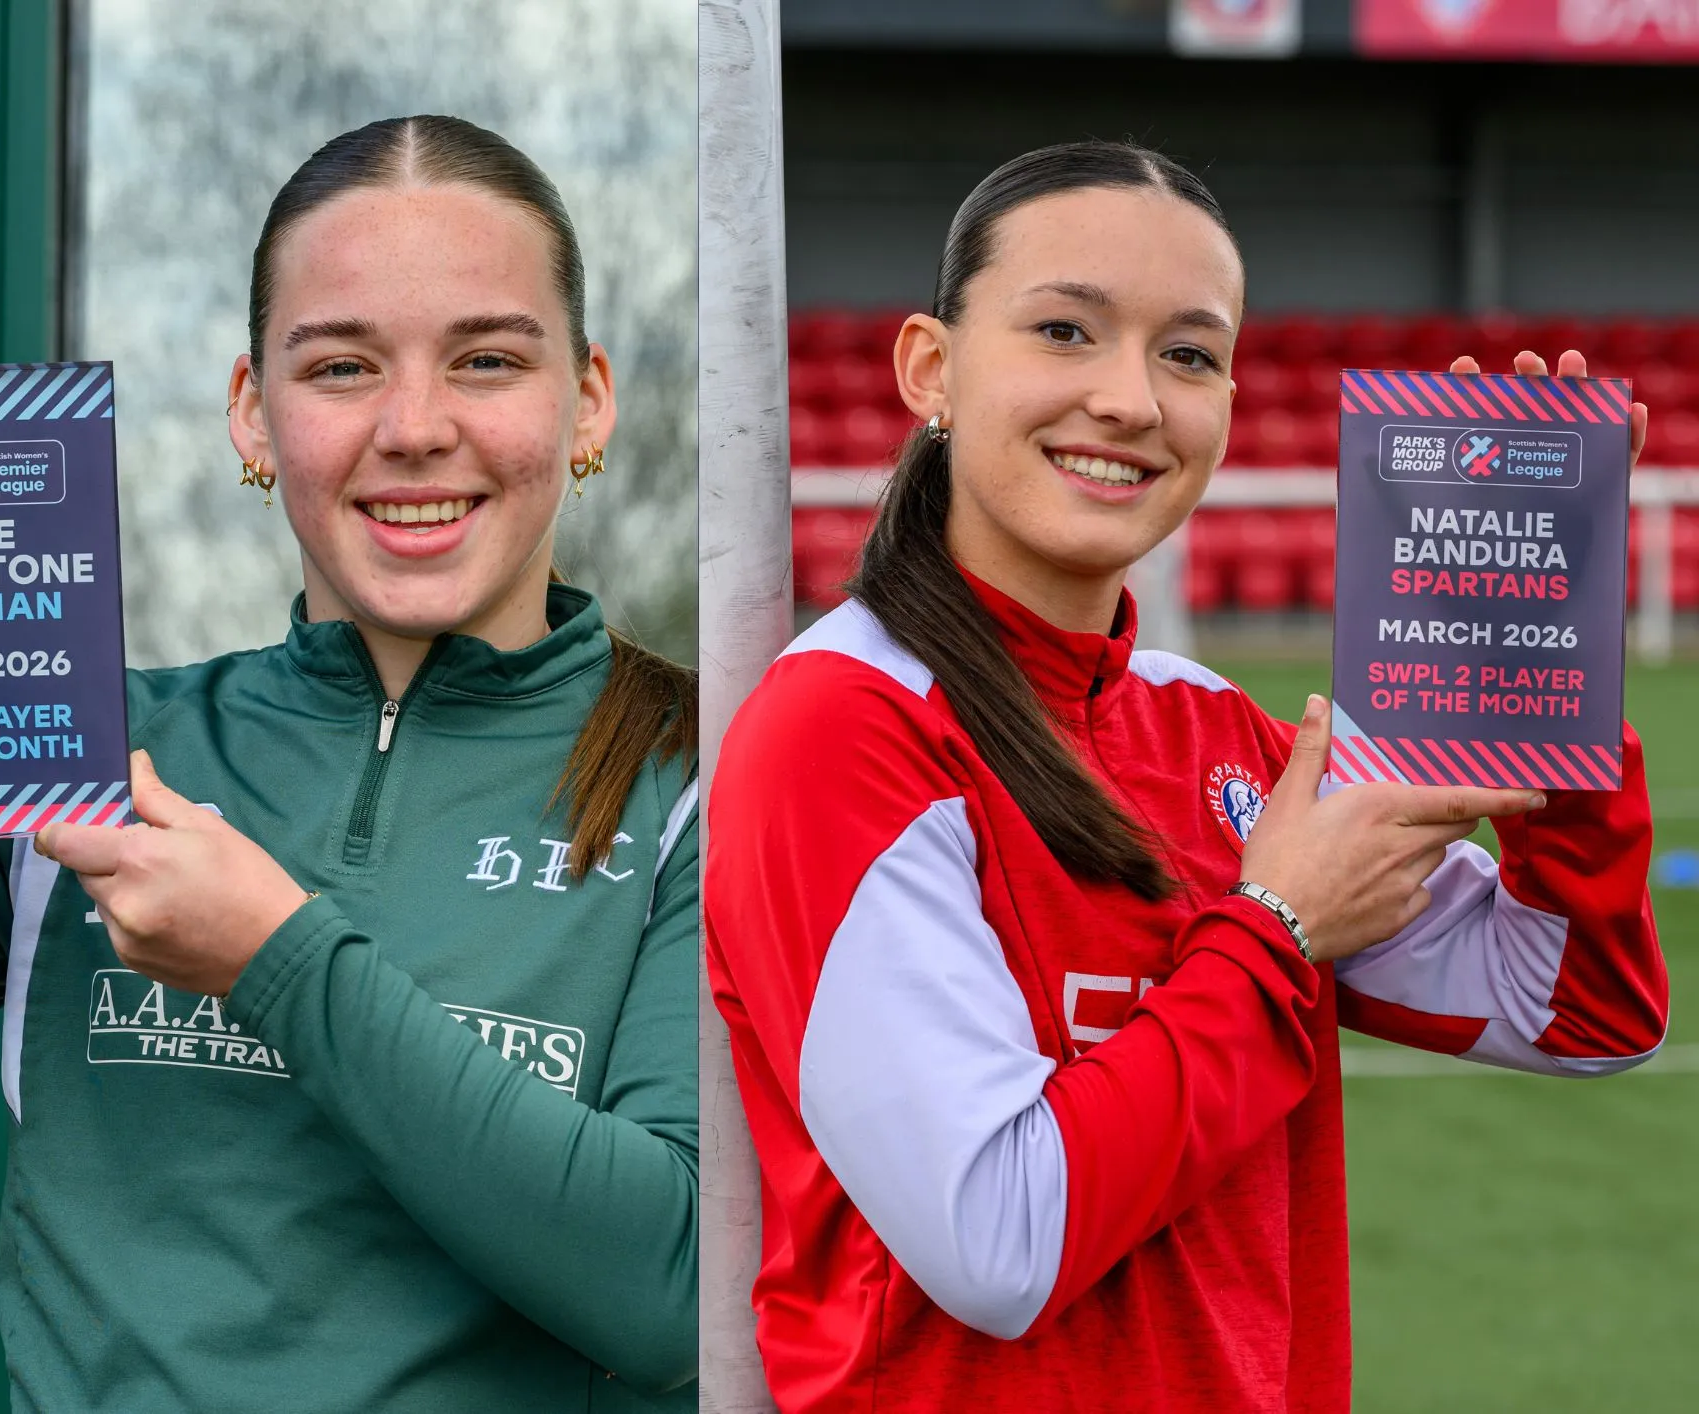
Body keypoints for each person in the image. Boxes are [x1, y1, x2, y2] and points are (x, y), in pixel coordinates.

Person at [0, 115, 698, 1412]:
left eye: (487, 359)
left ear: (588, 401)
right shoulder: (77, 758)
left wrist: (277, 959)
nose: (413, 425)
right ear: (253, 413)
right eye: (340, 368)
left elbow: (670, 1288)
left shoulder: (709, 787)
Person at [703, 141, 1667, 1414]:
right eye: (1063, 330)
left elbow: (1579, 1013)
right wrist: (1274, 931)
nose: (1129, 401)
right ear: (928, 367)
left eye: (1188, 354)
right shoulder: (839, 727)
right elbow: (1000, 1241)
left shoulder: (1216, 735)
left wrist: (1535, 651)